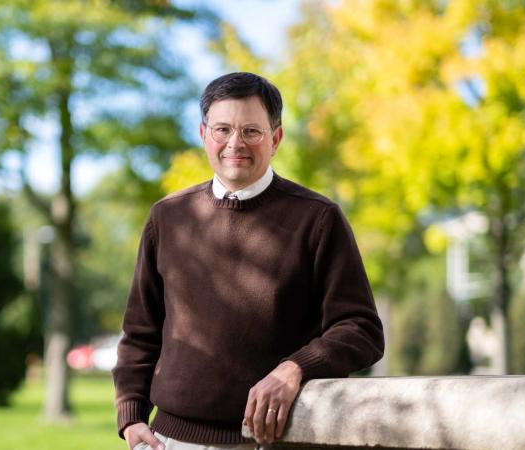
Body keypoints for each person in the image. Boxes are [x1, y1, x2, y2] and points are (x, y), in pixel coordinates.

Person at [112, 72, 384, 450]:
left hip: (278, 441)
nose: (235, 144)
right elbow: (141, 331)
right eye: (222, 129)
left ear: (275, 138)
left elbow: (361, 330)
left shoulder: (318, 219)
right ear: (203, 134)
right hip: (171, 440)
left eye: (251, 132)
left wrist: (296, 368)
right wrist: (131, 416)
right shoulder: (168, 217)